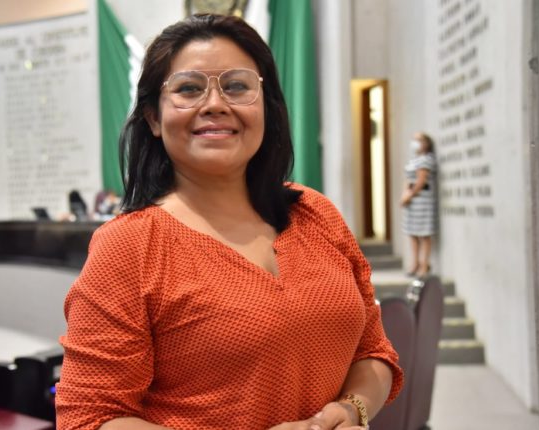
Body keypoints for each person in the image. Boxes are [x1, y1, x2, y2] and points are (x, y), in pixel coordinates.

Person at [56, 14, 402, 430]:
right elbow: (91, 417)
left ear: (266, 107)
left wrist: (350, 409)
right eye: (188, 89)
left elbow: (374, 351)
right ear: (153, 118)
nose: (215, 104)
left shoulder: (315, 213)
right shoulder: (129, 247)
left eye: (237, 86)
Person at [400, 132, 437, 277]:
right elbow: (408, 179)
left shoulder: (426, 160)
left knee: (424, 234)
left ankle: (424, 265)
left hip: (422, 202)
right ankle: (414, 263)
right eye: (414, 140)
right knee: (413, 233)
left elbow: (421, 182)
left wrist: (409, 195)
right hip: (411, 203)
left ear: (426, 143)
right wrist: (404, 195)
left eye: (418, 140)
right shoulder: (414, 160)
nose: (414, 143)